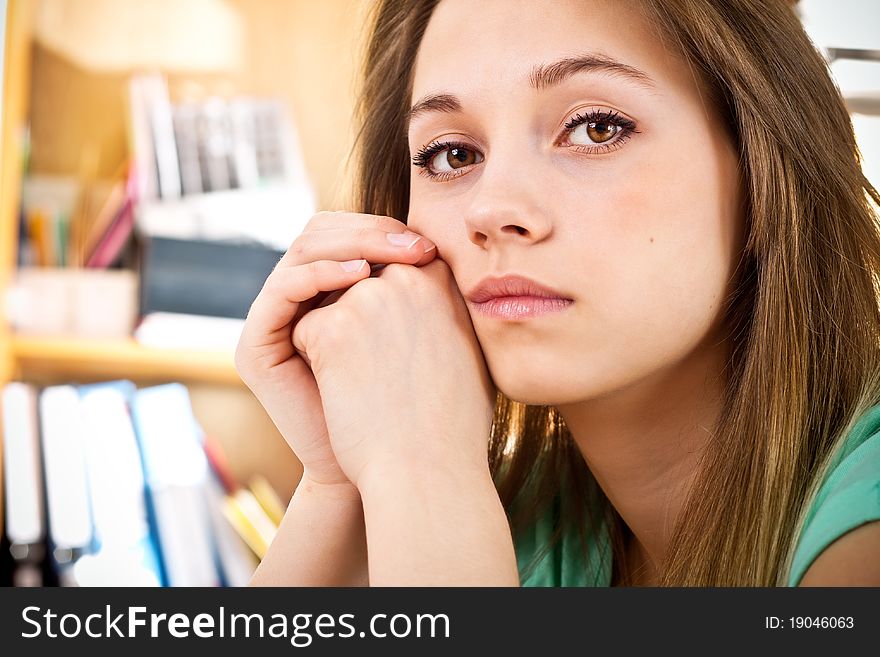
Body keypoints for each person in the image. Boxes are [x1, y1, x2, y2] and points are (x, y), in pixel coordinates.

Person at [236, 0, 880, 586]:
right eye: (452, 155)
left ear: (763, 164)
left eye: (596, 128)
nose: (492, 207)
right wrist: (342, 483)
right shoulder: (503, 518)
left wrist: (423, 476)